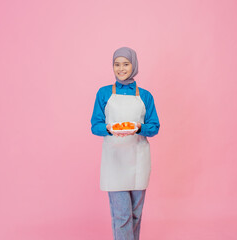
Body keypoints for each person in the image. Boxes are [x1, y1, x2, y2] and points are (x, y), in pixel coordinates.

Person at [91, 47, 160, 240]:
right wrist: (109, 129)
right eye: (117, 64)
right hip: (115, 161)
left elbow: (154, 127)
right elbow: (95, 125)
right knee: (122, 216)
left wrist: (139, 128)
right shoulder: (103, 93)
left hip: (138, 160)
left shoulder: (145, 96)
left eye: (126, 64)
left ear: (134, 66)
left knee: (136, 216)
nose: (121, 69)